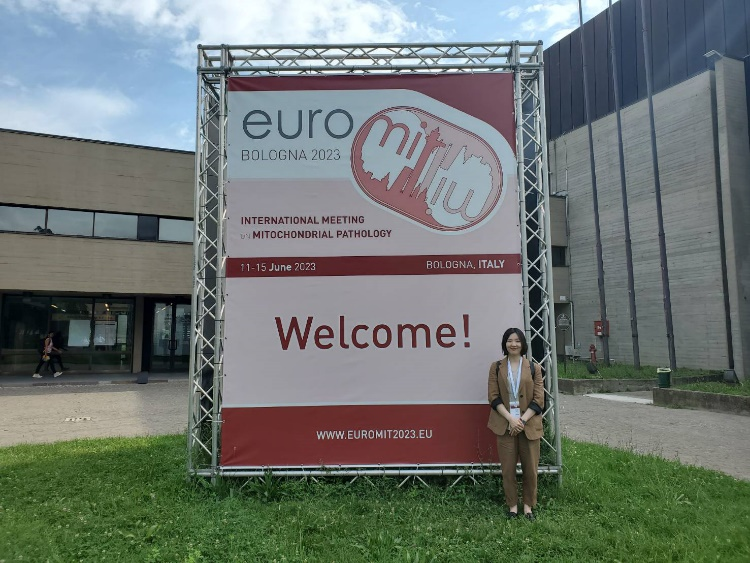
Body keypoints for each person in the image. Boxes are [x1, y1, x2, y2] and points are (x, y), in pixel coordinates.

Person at [487, 327, 545, 520]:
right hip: (505, 425)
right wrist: (511, 419)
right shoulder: (496, 367)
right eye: (510, 340)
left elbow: (539, 400)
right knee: (508, 470)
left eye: (517, 341)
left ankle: (528, 507)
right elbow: (493, 397)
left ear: (523, 344)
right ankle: (512, 506)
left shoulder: (534, 368)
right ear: (505, 344)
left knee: (531, 470)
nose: (513, 344)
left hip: (529, 425)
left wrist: (521, 420)